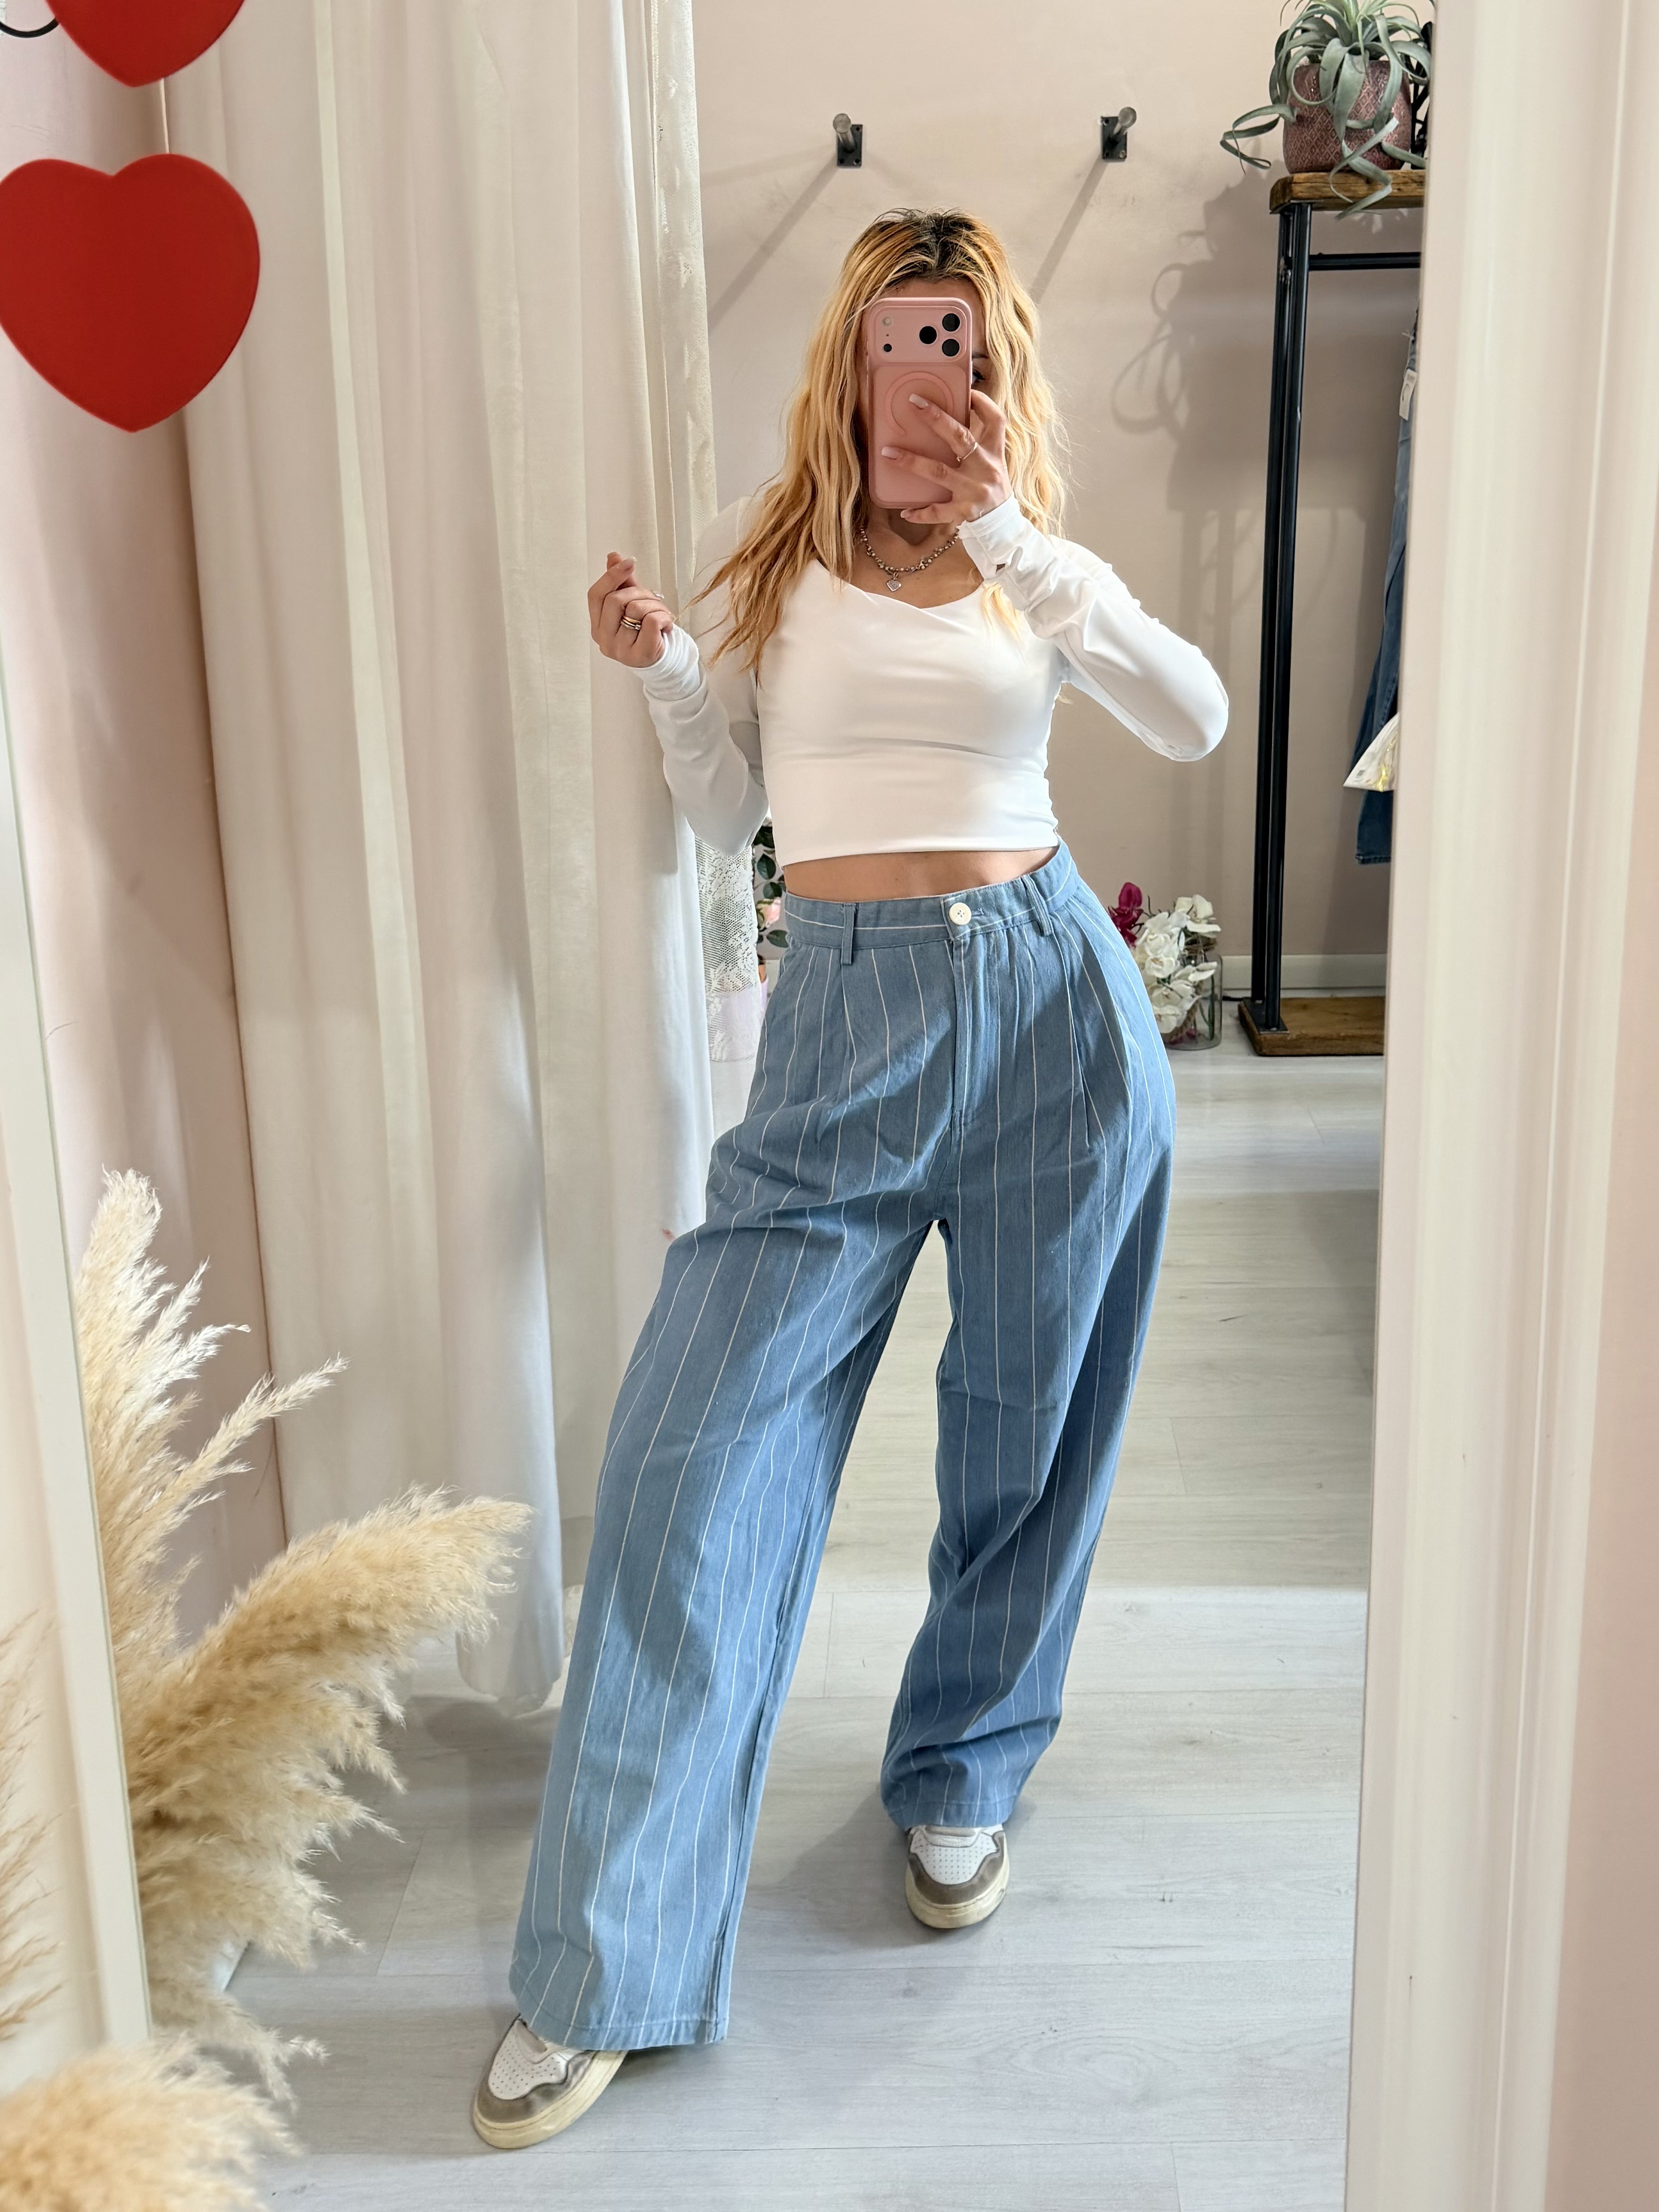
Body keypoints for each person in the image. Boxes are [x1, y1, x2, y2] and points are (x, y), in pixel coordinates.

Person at [472, 207, 1227, 2151]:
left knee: (1028, 1431)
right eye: (899, 339)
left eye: (957, 342)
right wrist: (664, 669)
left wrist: (1011, 538)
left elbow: (1190, 716)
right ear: (848, 364)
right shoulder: (779, 555)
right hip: (839, 1026)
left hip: (1051, 1008)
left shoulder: (1028, 564)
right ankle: (608, 1953)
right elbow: (732, 805)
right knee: (691, 1462)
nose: (924, 378)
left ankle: (963, 1765)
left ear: (995, 372)